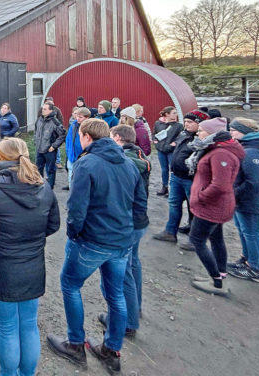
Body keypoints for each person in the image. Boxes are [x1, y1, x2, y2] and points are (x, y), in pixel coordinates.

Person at [46, 118, 147, 374]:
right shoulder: (128, 162)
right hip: (121, 241)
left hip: (93, 240)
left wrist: (74, 234)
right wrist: (128, 233)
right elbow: (140, 203)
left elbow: (77, 207)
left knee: (70, 285)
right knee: (116, 295)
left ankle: (75, 344)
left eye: (80, 136)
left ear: (87, 136)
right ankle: (111, 350)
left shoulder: (86, 163)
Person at [0, 138, 60, 376]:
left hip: (1, 270)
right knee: (29, 326)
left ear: (0, 157)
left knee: (8, 328)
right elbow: (52, 226)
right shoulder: (43, 187)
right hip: (32, 269)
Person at [187, 117, 244, 296]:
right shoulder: (216, 148)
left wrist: (200, 197)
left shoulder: (221, 154)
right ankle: (220, 275)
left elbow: (220, 184)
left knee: (197, 240)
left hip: (211, 206)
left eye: (202, 131)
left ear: (211, 134)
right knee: (216, 238)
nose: (198, 133)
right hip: (215, 205)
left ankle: (217, 280)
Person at [105, 125, 150, 337]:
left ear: (117, 138)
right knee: (133, 264)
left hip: (127, 221)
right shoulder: (138, 156)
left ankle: (128, 322)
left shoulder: (126, 162)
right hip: (138, 220)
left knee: (124, 273)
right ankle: (135, 309)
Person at [226, 117, 259, 284]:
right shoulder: (246, 148)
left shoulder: (252, 152)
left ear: (245, 132)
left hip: (253, 201)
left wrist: (234, 193)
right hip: (244, 200)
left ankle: (255, 268)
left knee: (252, 234)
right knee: (244, 232)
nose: (230, 132)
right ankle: (246, 260)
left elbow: (255, 181)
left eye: (234, 129)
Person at [152, 110, 208, 244]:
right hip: (177, 176)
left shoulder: (202, 139)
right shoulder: (183, 134)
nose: (186, 124)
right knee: (174, 204)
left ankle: (195, 238)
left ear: (199, 123)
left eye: (190, 122)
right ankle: (170, 232)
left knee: (194, 207)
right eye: (186, 121)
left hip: (191, 178)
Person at [33, 102, 67, 189]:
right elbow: (36, 131)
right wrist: (36, 141)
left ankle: (50, 187)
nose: (42, 110)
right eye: (42, 108)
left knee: (50, 169)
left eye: (45, 109)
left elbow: (62, 135)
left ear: (51, 110)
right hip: (39, 148)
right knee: (38, 168)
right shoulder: (39, 119)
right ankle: (39, 185)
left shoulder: (55, 122)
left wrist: (54, 146)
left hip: (49, 150)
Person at [153, 106, 184, 196]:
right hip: (161, 149)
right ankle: (164, 186)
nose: (176, 115)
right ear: (167, 114)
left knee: (173, 169)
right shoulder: (158, 123)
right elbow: (154, 134)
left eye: (176, 113)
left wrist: (174, 144)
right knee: (164, 169)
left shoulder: (178, 126)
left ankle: (172, 188)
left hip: (172, 150)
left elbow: (180, 137)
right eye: (173, 113)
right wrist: (156, 143)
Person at [64, 107, 91, 190]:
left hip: (84, 157)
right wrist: (69, 152)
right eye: (77, 116)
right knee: (71, 178)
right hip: (72, 156)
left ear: (87, 118)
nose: (78, 118)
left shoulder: (90, 127)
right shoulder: (74, 125)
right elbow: (68, 140)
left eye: (81, 117)